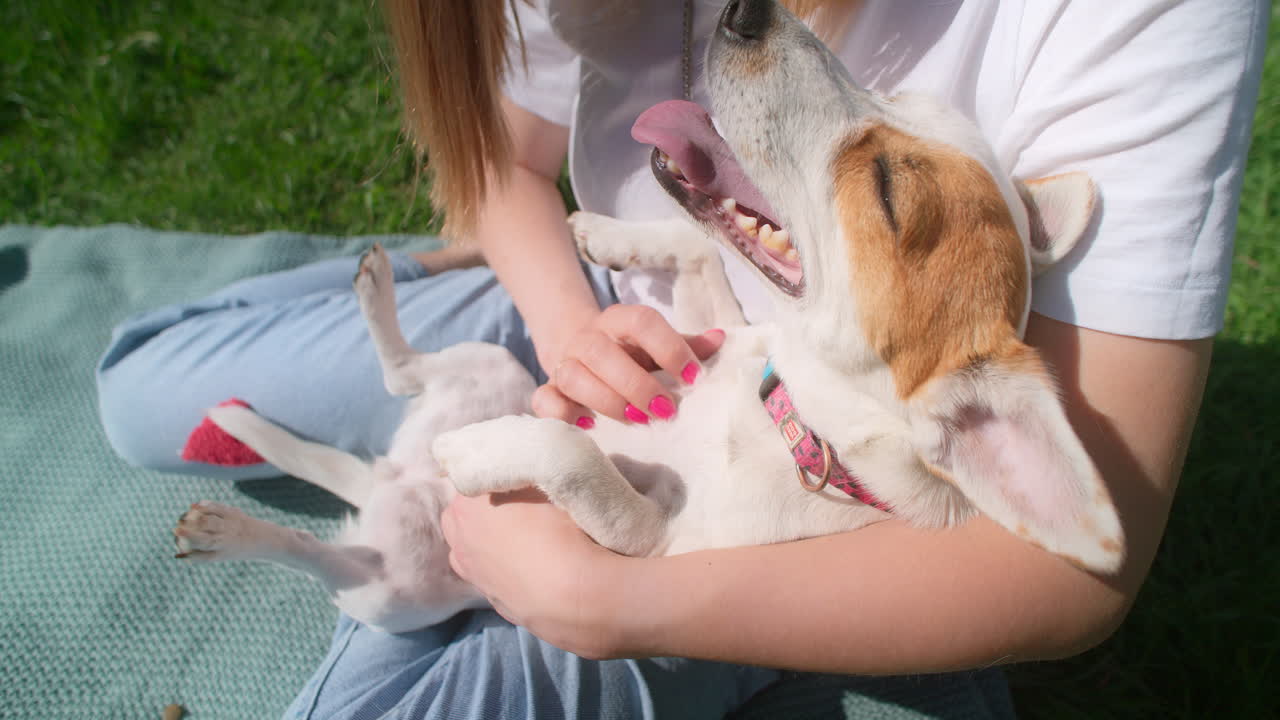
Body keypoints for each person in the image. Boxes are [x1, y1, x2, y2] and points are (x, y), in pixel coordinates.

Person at [96, 0, 1268, 717]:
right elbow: (502, 160)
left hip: (760, 500)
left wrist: (618, 603)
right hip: (617, 315)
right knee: (131, 394)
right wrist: (562, 319)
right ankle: (450, 274)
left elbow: (1070, 566)